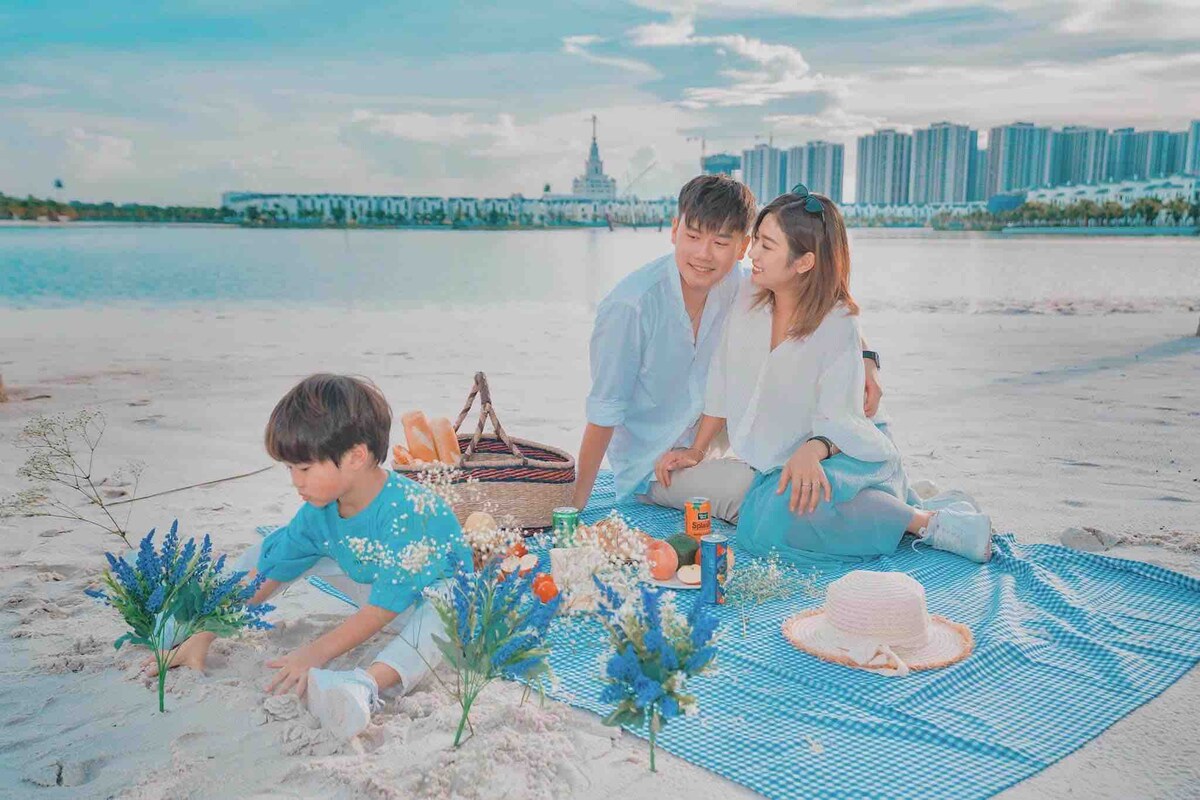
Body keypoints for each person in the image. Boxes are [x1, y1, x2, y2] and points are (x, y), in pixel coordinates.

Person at [654, 187, 992, 565]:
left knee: (784, 510)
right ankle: (909, 508)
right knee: (776, 511)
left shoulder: (836, 323)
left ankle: (929, 523)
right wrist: (697, 450)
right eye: (757, 241)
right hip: (782, 458)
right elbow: (721, 380)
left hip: (843, 449)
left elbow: (842, 417)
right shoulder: (747, 297)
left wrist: (812, 450)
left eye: (767, 246)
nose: (752, 254)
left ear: (803, 262)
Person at [148, 374, 471, 738]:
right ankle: (191, 620)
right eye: (290, 469)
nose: (296, 481)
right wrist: (207, 633)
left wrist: (313, 653)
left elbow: (380, 612)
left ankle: (364, 685)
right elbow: (270, 570)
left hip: (427, 603)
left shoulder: (408, 512)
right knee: (270, 550)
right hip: (375, 581)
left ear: (356, 456)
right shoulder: (321, 509)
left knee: (445, 606)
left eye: (304, 468)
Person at [574, 175, 884, 515]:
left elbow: (818, 305)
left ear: (742, 247)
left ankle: (865, 486)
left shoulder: (740, 285)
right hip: (655, 464)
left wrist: (866, 358)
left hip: (713, 440)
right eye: (693, 236)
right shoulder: (630, 307)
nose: (703, 255)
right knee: (764, 492)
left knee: (847, 420)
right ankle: (886, 514)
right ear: (674, 230)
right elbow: (604, 412)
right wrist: (574, 507)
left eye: (721, 242)